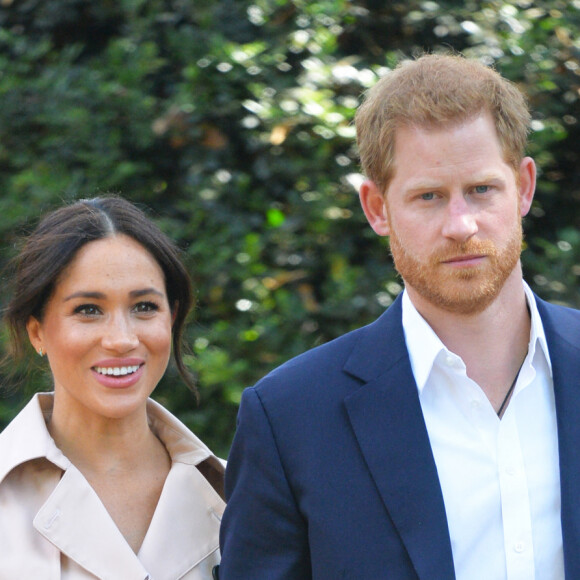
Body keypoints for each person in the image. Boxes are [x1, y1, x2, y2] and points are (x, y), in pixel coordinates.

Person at [217, 53, 580, 579]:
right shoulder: (290, 418)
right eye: (429, 196)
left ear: (523, 186)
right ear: (377, 208)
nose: (461, 224)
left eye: (481, 189)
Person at [0, 196, 225, 579]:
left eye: (144, 307)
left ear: (171, 318)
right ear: (36, 331)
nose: (121, 339)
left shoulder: (238, 493)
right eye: (88, 309)